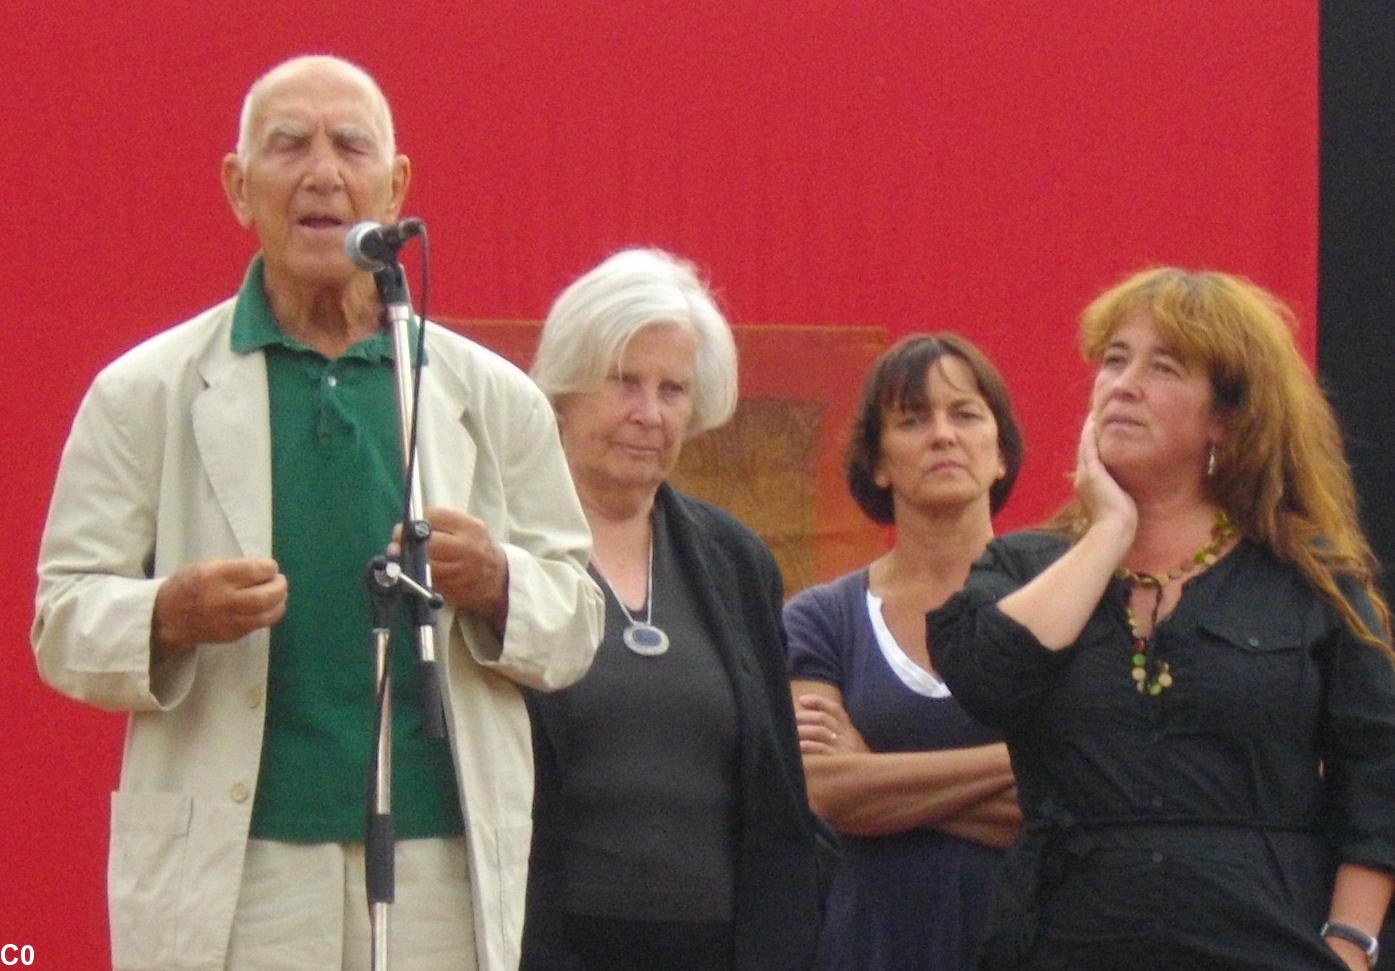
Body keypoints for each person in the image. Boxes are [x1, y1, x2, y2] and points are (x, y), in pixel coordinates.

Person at [31, 55, 603, 971]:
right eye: (288, 147)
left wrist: (497, 581)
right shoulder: (143, 391)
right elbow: (60, 621)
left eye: (350, 147)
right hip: (240, 858)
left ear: (396, 183)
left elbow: (577, 622)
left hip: (437, 859)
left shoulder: (489, 397)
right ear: (237, 187)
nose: (322, 174)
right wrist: (168, 613)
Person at [929, 267, 1395, 970]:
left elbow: (1377, 770)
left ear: (1226, 417)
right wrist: (1109, 531)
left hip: (1266, 942)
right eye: (1113, 360)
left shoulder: (1307, 577)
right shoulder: (1027, 564)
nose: (1123, 383)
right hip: (1064, 942)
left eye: (1164, 366)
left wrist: (1350, 944)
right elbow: (986, 676)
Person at [520, 247, 832, 971]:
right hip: (541, 945)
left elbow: (778, 792)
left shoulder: (737, 560)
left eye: (673, 389)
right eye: (624, 382)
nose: (648, 414)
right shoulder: (502, 551)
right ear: (563, 388)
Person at [785, 333, 1025, 970]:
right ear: (879, 462)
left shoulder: (1061, 604)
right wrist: (1026, 760)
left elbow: (1085, 809)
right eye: (913, 419)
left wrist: (883, 784)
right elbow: (829, 793)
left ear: (1000, 452)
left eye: (965, 414)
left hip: (1031, 945)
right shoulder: (821, 619)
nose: (942, 435)